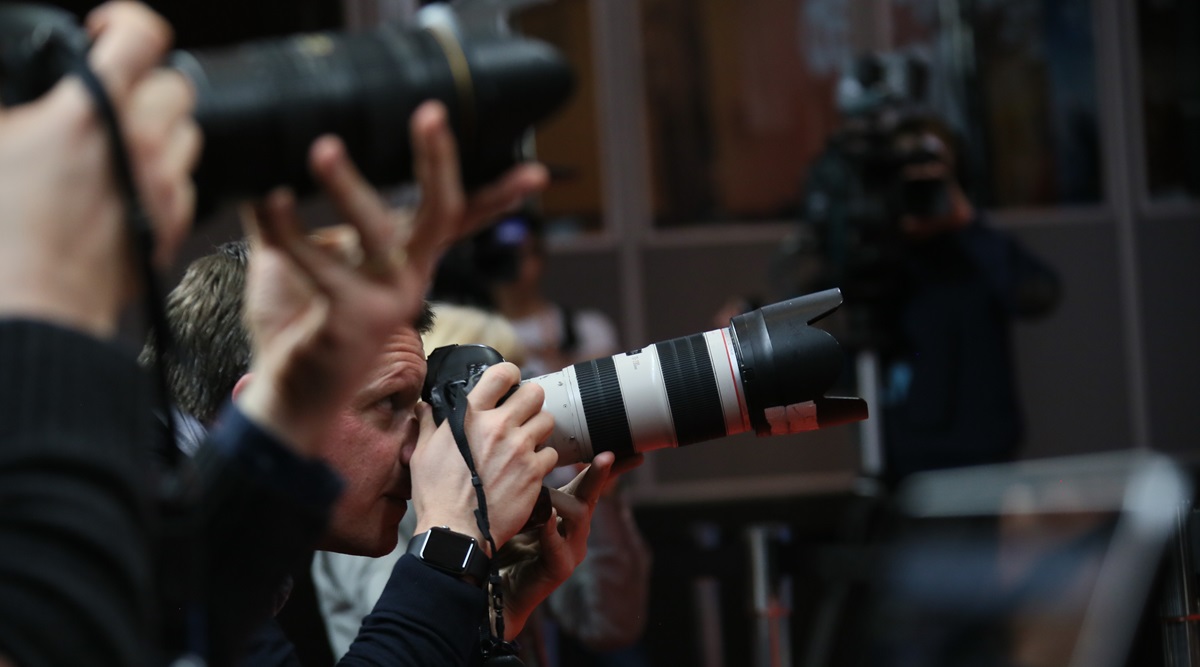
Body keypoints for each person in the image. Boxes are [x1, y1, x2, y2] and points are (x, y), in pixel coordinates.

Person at [155, 120, 621, 663]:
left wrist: (483, 615)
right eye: (389, 404)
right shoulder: (144, 529)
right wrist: (450, 544)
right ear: (270, 411)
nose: (416, 446)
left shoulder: (203, 519)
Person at [311, 303, 652, 666]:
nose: (518, 413)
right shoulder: (377, 508)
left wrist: (496, 614)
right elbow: (397, 640)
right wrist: (456, 537)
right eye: (497, 396)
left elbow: (607, 627)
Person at [813, 112, 1062, 484]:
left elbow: (1038, 295)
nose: (918, 187)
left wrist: (965, 222)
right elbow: (831, 352)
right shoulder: (870, 257)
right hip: (899, 458)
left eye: (932, 173)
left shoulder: (979, 250)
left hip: (982, 460)